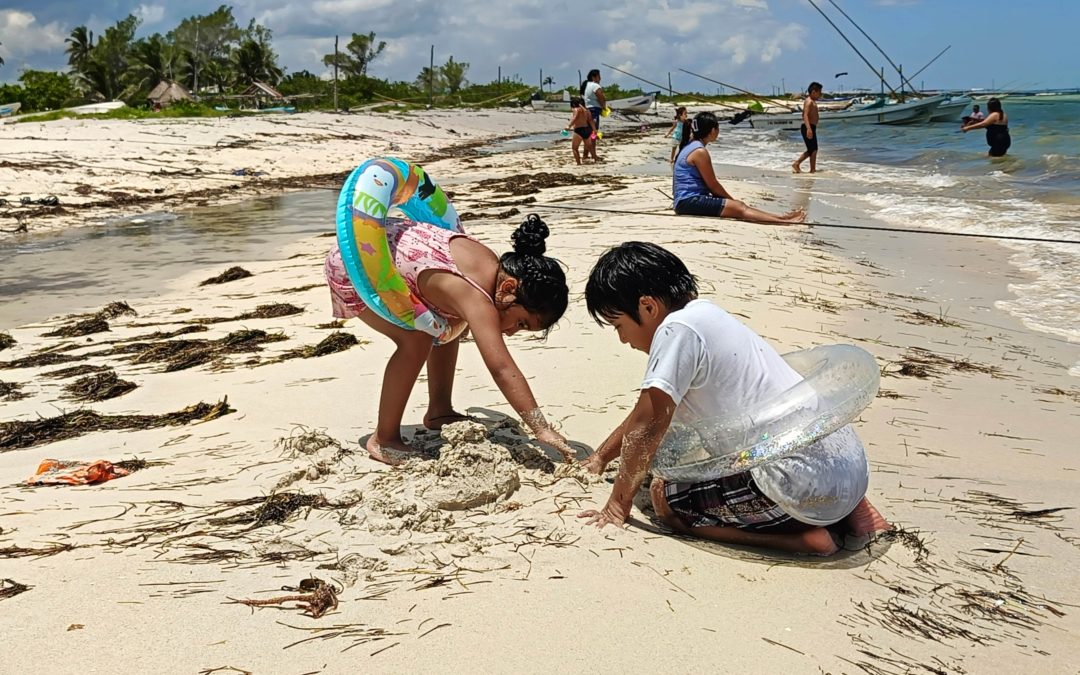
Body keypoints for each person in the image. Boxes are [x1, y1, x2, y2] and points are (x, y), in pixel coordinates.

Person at [577, 242, 891, 555]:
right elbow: (645, 411)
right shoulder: (708, 314)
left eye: (619, 325)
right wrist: (602, 457)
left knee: (666, 498)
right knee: (786, 431)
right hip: (846, 468)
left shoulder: (675, 331)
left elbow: (648, 425)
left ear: (648, 307)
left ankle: (804, 541)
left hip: (797, 490)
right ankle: (856, 513)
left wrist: (618, 506)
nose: (622, 339)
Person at [324, 213, 575, 464]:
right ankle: (384, 438)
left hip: (381, 248)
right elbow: (501, 368)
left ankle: (439, 410)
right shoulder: (476, 298)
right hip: (355, 264)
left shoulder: (490, 264)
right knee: (416, 340)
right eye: (520, 323)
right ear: (508, 289)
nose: (511, 332)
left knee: (450, 323)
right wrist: (541, 428)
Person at [673, 112, 806, 224]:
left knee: (738, 206)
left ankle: (781, 217)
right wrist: (731, 200)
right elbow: (713, 185)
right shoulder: (699, 151)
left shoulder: (691, 146)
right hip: (689, 202)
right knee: (739, 207)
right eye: (718, 128)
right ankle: (784, 221)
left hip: (686, 201)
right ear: (713, 130)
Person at [792, 82, 823, 174]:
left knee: (812, 149)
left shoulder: (813, 101)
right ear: (814, 92)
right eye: (819, 92)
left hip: (811, 127)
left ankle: (800, 165)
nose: (820, 94)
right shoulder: (809, 101)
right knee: (813, 150)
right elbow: (805, 115)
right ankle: (808, 168)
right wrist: (809, 129)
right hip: (807, 127)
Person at [580, 69, 606, 162]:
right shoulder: (595, 86)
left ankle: (585, 155)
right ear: (594, 77)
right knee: (593, 134)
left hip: (588, 111)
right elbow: (601, 97)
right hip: (594, 111)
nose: (600, 78)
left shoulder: (587, 86)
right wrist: (604, 107)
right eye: (599, 76)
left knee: (588, 134)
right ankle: (594, 156)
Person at [566, 96, 596, 165]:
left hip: (578, 130)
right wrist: (594, 130)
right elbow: (591, 120)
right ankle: (595, 159)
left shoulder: (576, 109)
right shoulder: (586, 111)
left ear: (573, 104)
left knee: (574, 148)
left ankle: (578, 163)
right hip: (587, 130)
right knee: (590, 147)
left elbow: (574, 118)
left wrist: (569, 126)